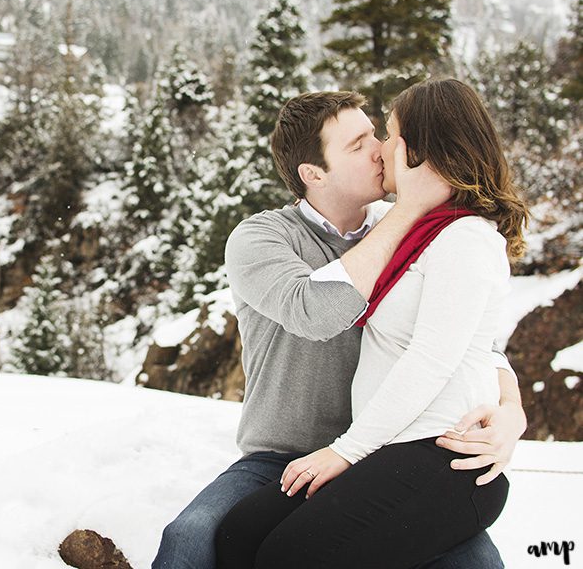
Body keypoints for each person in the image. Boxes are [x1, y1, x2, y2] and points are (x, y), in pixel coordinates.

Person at [151, 89, 528, 569]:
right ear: (313, 174)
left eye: (377, 133)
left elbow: (468, 336)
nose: (381, 149)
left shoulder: (420, 232)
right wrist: (409, 210)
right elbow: (317, 312)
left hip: (391, 454)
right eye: (358, 145)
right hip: (282, 455)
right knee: (194, 537)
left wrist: (512, 412)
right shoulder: (263, 238)